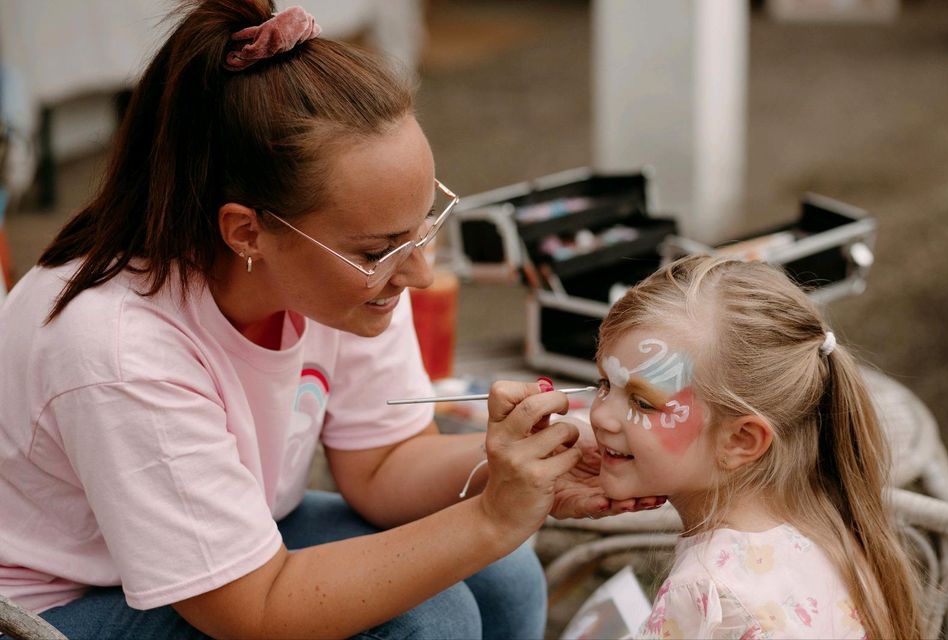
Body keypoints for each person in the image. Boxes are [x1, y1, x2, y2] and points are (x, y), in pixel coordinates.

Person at [0, 2, 654, 638]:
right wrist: (492, 519)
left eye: (422, 229)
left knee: (504, 575)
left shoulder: (337, 274)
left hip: (227, 550)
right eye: (381, 250)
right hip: (57, 603)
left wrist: (530, 466)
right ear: (247, 232)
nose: (419, 273)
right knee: (432, 618)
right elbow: (255, 610)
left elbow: (383, 464)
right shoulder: (118, 348)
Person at [589, 255, 922, 640]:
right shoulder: (832, 528)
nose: (600, 416)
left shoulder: (708, 595)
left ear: (741, 440)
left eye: (643, 402)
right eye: (602, 384)